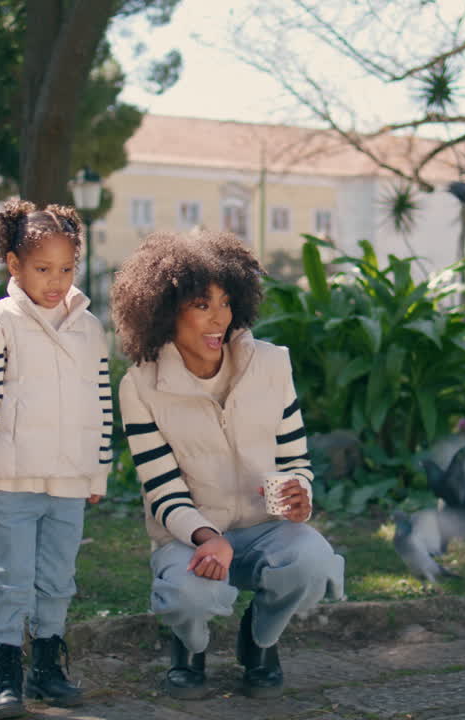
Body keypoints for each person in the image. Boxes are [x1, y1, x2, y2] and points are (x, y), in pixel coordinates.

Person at [111, 229, 345, 700]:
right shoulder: (140, 386)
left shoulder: (272, 365)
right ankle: (189, 647)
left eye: (225, 302)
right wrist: (207, 537)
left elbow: (294, 456)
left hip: (265, 527)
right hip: (190, 535)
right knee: (188, 595)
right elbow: (161, 489)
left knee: (314, 560)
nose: (219, 318)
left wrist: (300, 493)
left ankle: (260, 640)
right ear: (165, 311)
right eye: (201, 305)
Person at [0, 198, 112, 719]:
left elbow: (101, 402)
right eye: (43, 269)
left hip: (68, 481)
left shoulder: (90, 329)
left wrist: (98, 469)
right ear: (14, 264)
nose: (56, 281)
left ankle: (47, 667)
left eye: (66, 269)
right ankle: (6, 676)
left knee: (57, 578)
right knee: (9, 577)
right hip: (11, 479)